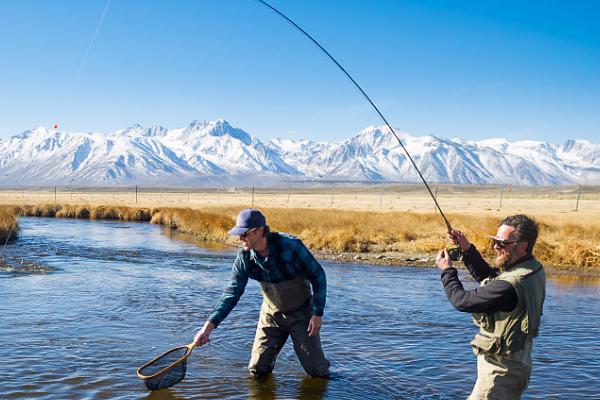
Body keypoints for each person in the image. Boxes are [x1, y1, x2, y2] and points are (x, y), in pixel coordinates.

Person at [193, 208, 330, 378]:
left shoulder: (290, 246)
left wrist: (317, 314)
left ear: (260, 231)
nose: (240, 238)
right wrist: (207, 328)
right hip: (271, 314)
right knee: (257, 370)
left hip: (303, 313)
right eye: (239, 234)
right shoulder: (244, 258)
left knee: (318, 373)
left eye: (244, 234)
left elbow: (319, 276)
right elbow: (232, 294)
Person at [435, 214, 546, 400]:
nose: (495, 247)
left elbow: (462, 301)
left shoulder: (510, 285)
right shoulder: (533, 268)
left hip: (500, 372)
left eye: (502, 243)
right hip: (518, 362)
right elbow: (493, 279)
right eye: (495, 241)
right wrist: (467, 249)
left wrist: (447, 271)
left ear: (523, 246)